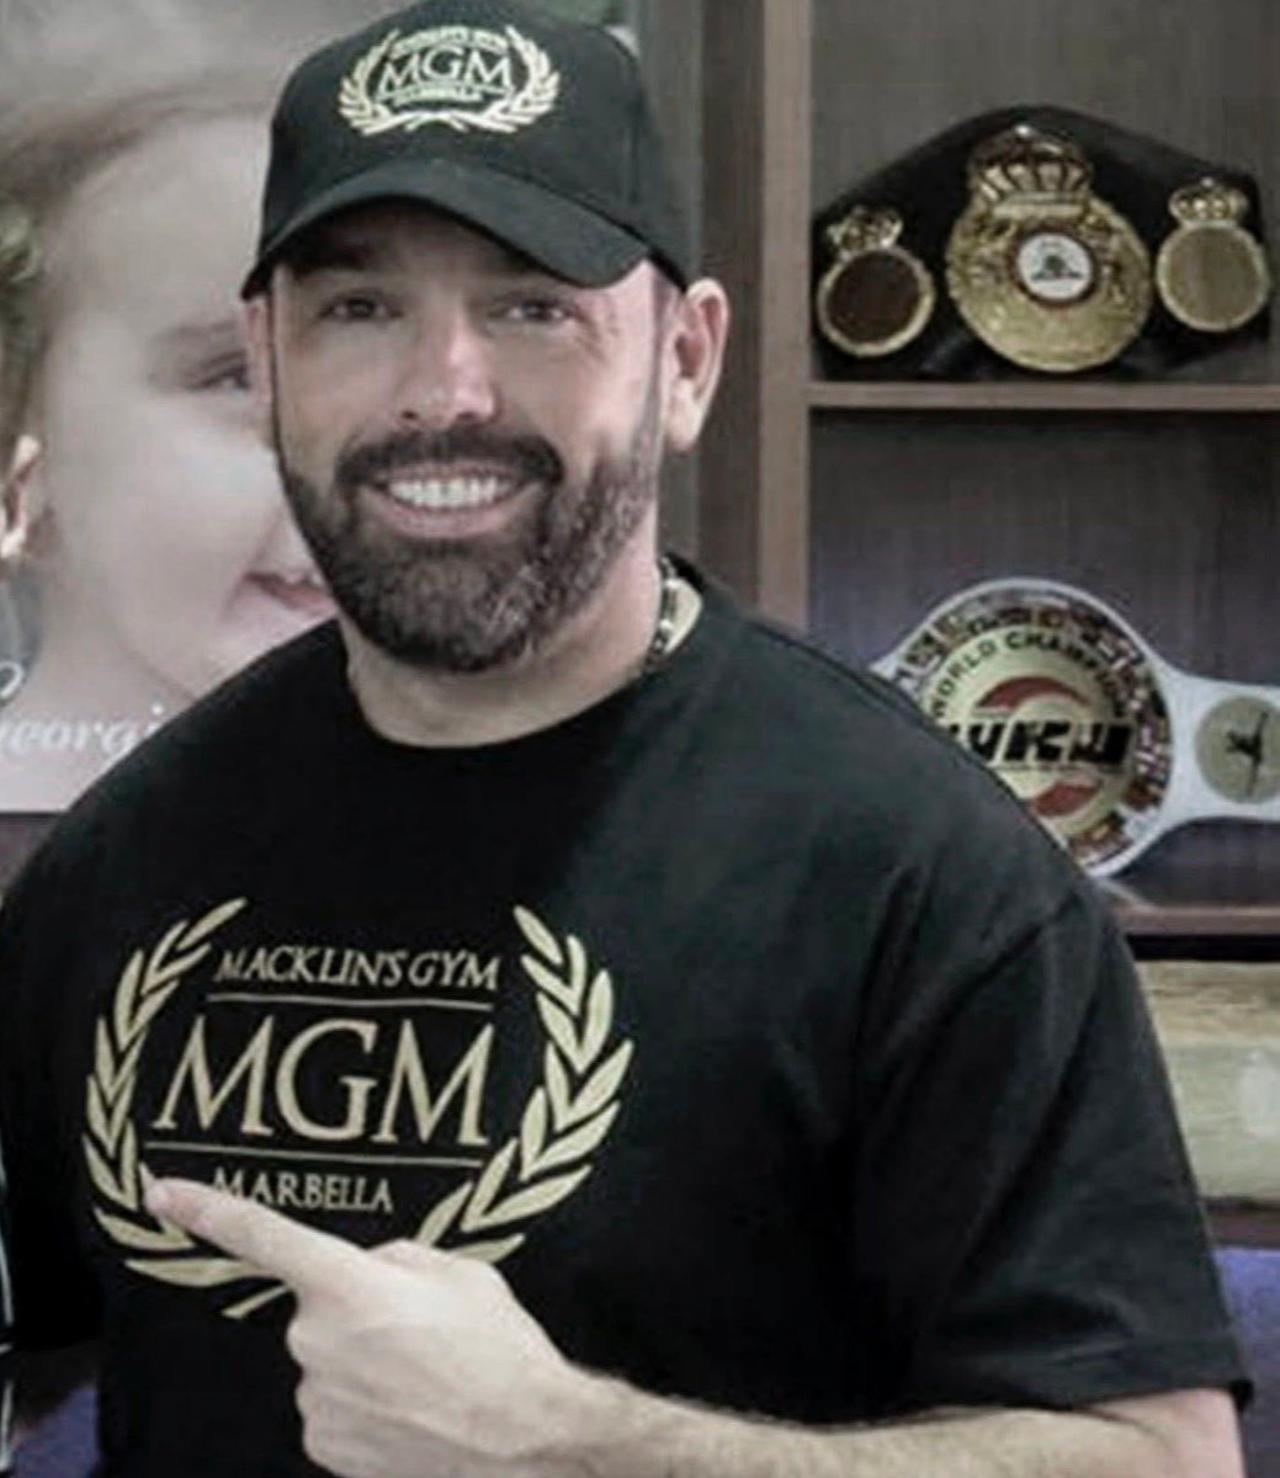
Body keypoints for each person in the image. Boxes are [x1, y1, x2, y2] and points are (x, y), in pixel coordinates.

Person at [0, 1, 1249, 1473]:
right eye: (359, 308)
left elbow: (1160, 1457)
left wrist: (573, 1443)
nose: (442, 390)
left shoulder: (921, 871)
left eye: (534, 304)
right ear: (267, 360)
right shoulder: (127, 852)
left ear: (687, 359)